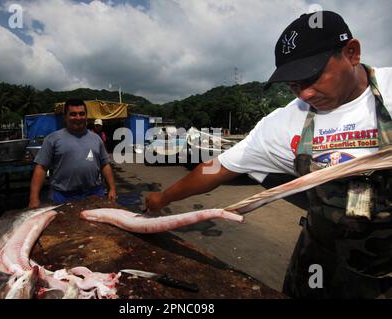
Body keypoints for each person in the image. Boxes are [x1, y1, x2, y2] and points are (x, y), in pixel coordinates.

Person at [145, 11, 392, 298]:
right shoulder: (283, 123)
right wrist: (163, 198)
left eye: (312, 78)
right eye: (293, 85)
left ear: (352, 53)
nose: (304, 95)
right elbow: (216, 168)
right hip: (320, 258)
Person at [29, 99, 117, 208]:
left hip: (94, 194)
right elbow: (41, 168)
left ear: (86, 116)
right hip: (62, 196)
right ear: (65, 117)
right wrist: (34, 197)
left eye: (81, 114)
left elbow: (105, 164)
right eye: (73, 114)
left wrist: (112, 189)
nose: (78, 118)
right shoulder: (52, 139)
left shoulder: (96, 139)